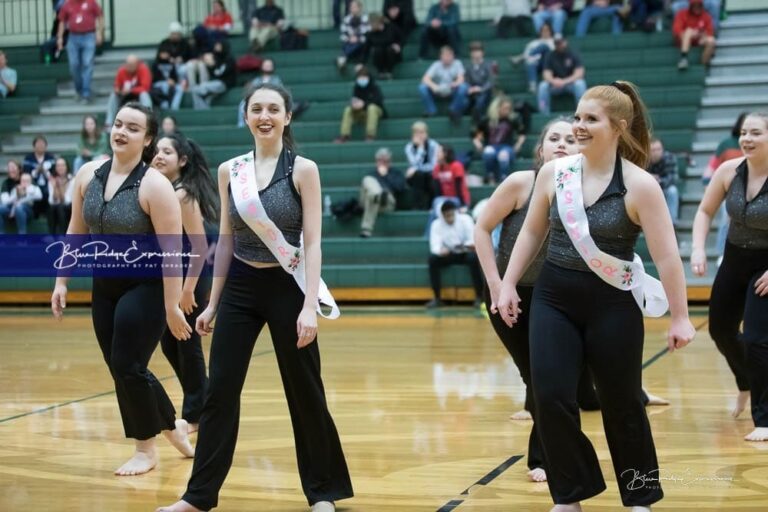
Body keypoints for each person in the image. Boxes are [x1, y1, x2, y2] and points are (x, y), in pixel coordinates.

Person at [497, 81, 695, 511]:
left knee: (622, 404)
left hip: (612, 305)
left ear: (619, 127)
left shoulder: (641, 186)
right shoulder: (555, 173)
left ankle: (639, 496)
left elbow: (667, 258)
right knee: (549, 397)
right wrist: (508, 282)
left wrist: (680, 317)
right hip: (553, 297)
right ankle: (571, 494)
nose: (579, 127)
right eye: (577, 117)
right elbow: (532, 231)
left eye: (591, 119)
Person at [155, 82, 353, 512]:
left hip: (289, 286)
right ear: (246, 116)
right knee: (219, 392)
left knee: (305, 389)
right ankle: (198, 496)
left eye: (273, 109)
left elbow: (313, 243)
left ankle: (323, 493)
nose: (265, 116)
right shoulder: (232, 171)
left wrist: (308, 308)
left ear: (287, 117)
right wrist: (213, 303)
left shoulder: (304, 169)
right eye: (256, 108)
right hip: (241, 287)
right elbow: (225, 240)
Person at [51, 102, 194, 476]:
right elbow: (75, 231)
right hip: (105, 285)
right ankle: (171, 426)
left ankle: (145, 450)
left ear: (147, 139)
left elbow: (172, 251)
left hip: (146, 284)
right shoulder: (86, 174)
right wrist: (61, 280)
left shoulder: (155, 186)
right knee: (123, 368)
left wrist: (171, 307)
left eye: (132, 128)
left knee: (127, 364)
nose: (121, 132)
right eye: (118, 124)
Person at [474, 118, 578, 482]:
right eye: (554, 138)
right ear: (541, 147)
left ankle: (544, 456)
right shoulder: (522, 182)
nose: (562, 144)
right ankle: (546, 456)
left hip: (558, 296)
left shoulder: (585, 189)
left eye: (570, 139)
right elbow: (481, 229)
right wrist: (497, 284)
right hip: (510, 293)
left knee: (547, 376)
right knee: (536, 375)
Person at [691, 111, 768, 442]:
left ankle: (764, 419)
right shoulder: (727, 171)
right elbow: (705, 211)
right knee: (721, 330)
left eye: (756, 133)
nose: (747, 138)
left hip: (765, 266)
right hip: (735, 258)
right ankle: (745, 382)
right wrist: (697, 249)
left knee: (755, 338)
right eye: (744, 133)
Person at [152, 133, 219, 434]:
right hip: (171, 278)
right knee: (169, 344)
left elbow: (200, 246)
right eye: (156, 151)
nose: (159, 155)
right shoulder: (162, 192)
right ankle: (203, 403)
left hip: (189, 277)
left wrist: (188, 289)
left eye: (167, 151)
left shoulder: (183, 194)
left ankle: (196, 416)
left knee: (187, 344)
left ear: (182, 160)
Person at [704, 112, 747, 259]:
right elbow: (711, 168)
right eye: (745, 129)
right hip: (730, 192)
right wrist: (707, 183)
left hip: (755, 193)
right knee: (726, 217)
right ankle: (722, 253)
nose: (748, 138)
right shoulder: (726, 144)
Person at [427, 201, 482, 308]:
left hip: (464, 253)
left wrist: (467, 246)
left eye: (451, 215)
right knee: (432, 260)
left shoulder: (465, 219)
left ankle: (479, 296)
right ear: (442, 215)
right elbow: (434, 246)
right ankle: (437, 298)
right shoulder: (436, 224)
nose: (449, 218)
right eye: (447, 216)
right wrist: (440, 251)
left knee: (474, 258)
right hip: (449, 254)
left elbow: (472, 238)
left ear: (455, 212)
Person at [472, 95, 527, 185]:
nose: (507, 111)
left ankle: (504, 178)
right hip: (491, 146)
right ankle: (490, 176)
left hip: (507, 147)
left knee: (503, 155)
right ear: (497, 108)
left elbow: (522, 133)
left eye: (509, 108)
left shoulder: (512, 119)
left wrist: (518, 145)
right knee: (488, 152)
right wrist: (477, 143)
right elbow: (475, 134)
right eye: (505, 108)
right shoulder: (487, 120)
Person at [56, 0, 104, 103]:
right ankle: (79, 90)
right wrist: (60, 38)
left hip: (89, 35)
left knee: (87, 63)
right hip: (73, 37)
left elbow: (100, 16)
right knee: (74, 65)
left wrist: (100, 32)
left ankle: (86, 93)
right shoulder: (67, 4)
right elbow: (62, 21)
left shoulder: (91, 2)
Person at [359, 147, 406, 237]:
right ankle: (378, 195)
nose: (382, 163)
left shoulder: (396, 173)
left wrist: (385, 176)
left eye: (385, 161)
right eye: (380, 161)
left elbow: (400, 188)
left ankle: (366, 230)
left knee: (372, 198)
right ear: (376, 161)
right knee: (367, 181)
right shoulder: (371, 174)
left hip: (387, 203)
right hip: (369, 200)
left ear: (390, 161)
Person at [537, 35, 587, 115]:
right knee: (543, 86)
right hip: (555, 86)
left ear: (565, 42)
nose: (559, 45)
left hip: (570, 84)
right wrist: (553, 81)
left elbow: (579, 73)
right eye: (557, 43)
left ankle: (582, 111)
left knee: (580, 84)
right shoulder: (550, 55)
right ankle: (544, 112)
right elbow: (546, 74)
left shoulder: (573, 54)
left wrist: (564, 81)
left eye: (560, 42)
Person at [334, 66, 385, 143]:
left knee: (372, 107)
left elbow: (379, 100)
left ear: (368, 77)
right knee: (348, 109)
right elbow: (354, 99)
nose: (362, 79)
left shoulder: (374, 87)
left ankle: (370, 135)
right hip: (361, 113)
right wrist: (354, 105)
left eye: (364, 77)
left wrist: (364, 104)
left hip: (375, 112)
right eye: (360, 77)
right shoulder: (356, 87)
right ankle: (344, 135)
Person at [418, 45, 467, 122]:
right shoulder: (436, 64)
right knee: (422, 87)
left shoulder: (457, 63)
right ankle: (431, 111)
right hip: (437, 90)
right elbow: (425, 78)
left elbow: (461, 78)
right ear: (441, 56)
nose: (448, 57)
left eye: (450, 55)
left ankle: (453, 109)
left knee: (463, 87)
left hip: (452, 89)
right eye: (446, 55)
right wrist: (433, 86)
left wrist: (456, 83)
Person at [105, 55, 153, 128]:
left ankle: (147, 120)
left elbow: (145, 87)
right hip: (124, 96)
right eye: (127, 64)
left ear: (137, 64)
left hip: (138, 95)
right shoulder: (122, 70)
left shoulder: (143, 69)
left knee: (144, 95)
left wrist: (131, 90)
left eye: (131, 65)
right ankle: (109, 123)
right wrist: (118, 89)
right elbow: (117, 84)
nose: (128, 67)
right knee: (113, 95)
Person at [187, 41, 236, 110]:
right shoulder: (215, 57)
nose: (216, 47)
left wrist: (212, 65)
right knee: (200, 93)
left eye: (218, 45)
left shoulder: (229, 59)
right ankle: (202, 110)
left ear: (223, 46)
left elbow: (220, 73)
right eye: (216, 45)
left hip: (224, 83)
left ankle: (200, 109)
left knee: (195, 89)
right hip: (214, 83)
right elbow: (213, 73)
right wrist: (209, 64)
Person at [237, 58, 283, 127]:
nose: (267, 66)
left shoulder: (276, 79)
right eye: (266, 65)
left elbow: (279, 91)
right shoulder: (257, 80)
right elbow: (251, 90)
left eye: (269, 65)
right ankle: (241, 125)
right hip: (257, 99)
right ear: (262, 66)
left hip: (271, 100)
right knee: (243, 104)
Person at [510, 23, 554, 94]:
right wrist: (530, 58)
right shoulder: (533, 43)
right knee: (530, 62)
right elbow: (528, 54)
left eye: (547, 30)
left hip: (550, 62)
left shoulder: (554, 41)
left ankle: (520, 58)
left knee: (544, 46)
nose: (545, 32)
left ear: (550, 31)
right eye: (543, 30)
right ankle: (533, 86)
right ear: (540, 32)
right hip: (536, 63)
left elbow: (555, 55)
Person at [405, 121, 440, 210]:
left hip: (429, 175)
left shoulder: (434, 145)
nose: (420, 135)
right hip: (416, 177)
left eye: (422, 132)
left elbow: (434, 165)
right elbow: (413, 163)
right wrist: (420, 148)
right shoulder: (409, 147)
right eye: (417, 133)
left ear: (426, 133)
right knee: (418, 175)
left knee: (428, 175)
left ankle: (431, 206)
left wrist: (417, 169)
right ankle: (417, 206)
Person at [673, 0, 716, 70]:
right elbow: (676, 30)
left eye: (698, 5)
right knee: (688, 31)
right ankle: (684, 58)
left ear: (701, 5)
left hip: (699, 40)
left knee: (711, 40)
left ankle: (703, 64)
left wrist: (700, 35)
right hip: (684, 40)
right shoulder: (682, 14)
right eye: (694, 5)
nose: (696, 7)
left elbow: (710, 32)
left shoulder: (706, 16)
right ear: (691, 6)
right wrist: (689, 34)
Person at [23, 135, 56, 219]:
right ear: (34, 146)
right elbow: (26, 174)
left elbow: (54, 174)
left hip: (47, 183)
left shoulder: (50, 157)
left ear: (46, 146)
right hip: (33, 184)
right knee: (35, 192)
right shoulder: (28, 158)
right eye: (38, 144)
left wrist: (44, 171)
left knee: (47, 192)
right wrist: (36, 171)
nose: (41, 146)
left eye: (43, 144)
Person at [647, 137, 679, 222]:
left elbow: (673, 178)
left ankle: (672, 224)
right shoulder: (643, 160)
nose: (656, 152)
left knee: (673, 191)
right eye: (653, 150)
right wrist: (649, 179)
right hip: (648, 191)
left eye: (658, 149)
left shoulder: (669, 158)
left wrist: (658, 181)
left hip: (664, 188)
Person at [365, 13, 403, 80]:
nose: (370, 26)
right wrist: (361, 62)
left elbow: (401, 38)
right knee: (378, 50)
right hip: (379, 55)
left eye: (371, 24)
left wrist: (398, 45)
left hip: (391, 54)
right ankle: (381, 72)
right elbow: (366, 48)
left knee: (390, 49)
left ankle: (389, 72)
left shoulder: (391, 27)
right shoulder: (370, 33)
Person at [464, 41, 494, 123]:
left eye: (478, 51)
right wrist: (470, 88)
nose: (476, 54)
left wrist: (481, 89)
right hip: (473, 92)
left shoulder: (489, 64)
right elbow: (467, 80)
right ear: (471, 54)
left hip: (486, 91)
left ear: (482, 53)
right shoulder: (468, 67)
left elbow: (491, 81)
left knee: (482, 96)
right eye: (473, 52)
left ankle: (476, 114)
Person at [337, 0, 370, 70]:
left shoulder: (366, 18)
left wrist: (358, 38)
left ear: (360, 8)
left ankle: (343, 57)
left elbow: (368, 33)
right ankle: (347, 59)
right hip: (349, 42)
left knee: (361, 44)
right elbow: (342, 35)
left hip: (361, 43)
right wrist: (349, 39)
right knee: (347, 44)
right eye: (351, 7)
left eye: (354, 7)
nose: (352, 8)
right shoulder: (346, 19)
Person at [47, 157, 74, 234]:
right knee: (51, 208)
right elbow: (51, 201)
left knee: (60, 207)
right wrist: (56, 186)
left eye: (63, 165)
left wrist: (60, 187)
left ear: (67, 167)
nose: (60, 168)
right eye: (58, 165)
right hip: (57, 207)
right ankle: (51, 235)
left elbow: (67, 201)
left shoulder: (72, 179)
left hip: (70, 208)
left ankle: (63, 234)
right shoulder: (52, 180)